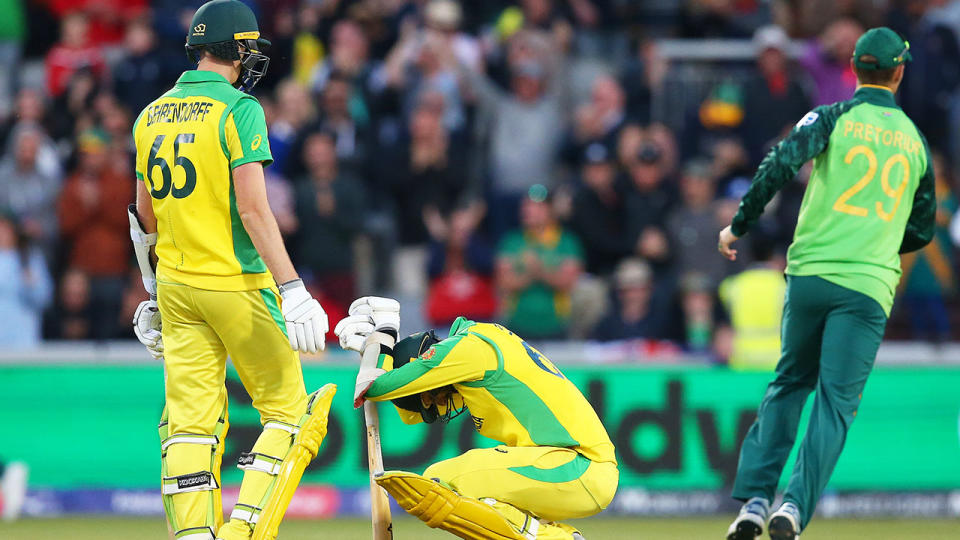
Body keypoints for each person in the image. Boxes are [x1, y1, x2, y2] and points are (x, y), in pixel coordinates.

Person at [718, 28, 935, 540]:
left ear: (856, 69)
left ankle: (752, 502)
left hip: (812, 273)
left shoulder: (832, 117)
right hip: (867, 287)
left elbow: (779, 164)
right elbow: (922, 227)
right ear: (899, 72)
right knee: (835, 405)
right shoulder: (916, 142)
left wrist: (739, 224)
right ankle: (793, 508)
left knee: (790, 382)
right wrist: (875, 241)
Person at [128, 2, 334, 539]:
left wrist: (151, 287)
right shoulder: (238, 109)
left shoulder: (149, 115)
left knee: (188, 426)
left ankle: (195, 535)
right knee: (292, 415)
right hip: (236, 284)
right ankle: (244, 530)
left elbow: (143, 215)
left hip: (175, 286)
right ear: (237, 47)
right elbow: (253, 209)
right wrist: (292, 288)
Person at [334, 297, 618, 540]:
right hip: (568, 466)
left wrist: (382, 336)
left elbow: (371, 388)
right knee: (482, 502)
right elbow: (409, 414)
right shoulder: (482, 338)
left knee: (442, 480)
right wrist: (373, 352)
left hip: (578, 466)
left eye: (434, 396)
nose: (443, 402)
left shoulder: (467, 349)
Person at [495, 184, 584, 340]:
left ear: (550, 210)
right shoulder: (512, 241)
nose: (528, 210)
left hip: (556, 324)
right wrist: (532, 274)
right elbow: (503, 282)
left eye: (536, 206)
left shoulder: (566, 241)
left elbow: (568, 282)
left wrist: (538, 271)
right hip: (516, 326)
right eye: (526, 205)